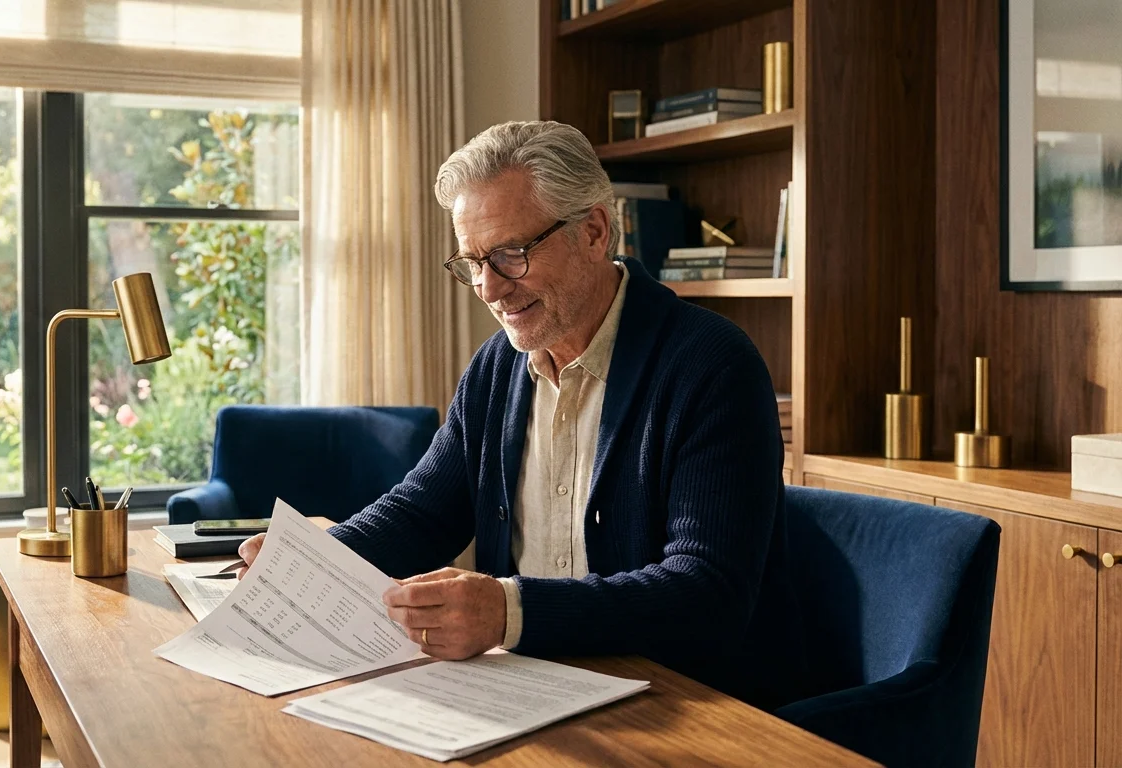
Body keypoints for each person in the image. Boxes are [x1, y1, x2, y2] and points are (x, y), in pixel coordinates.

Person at [239, 120, 805, 707]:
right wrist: (301, 564)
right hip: (529, 693)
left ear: (593, 231)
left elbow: (706, 595)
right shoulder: (496, 369)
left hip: (687, 704)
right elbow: (422, 514)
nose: (488, 287)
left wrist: (510, 611)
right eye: (472, 261)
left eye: (510, 255)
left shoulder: (711, 366)